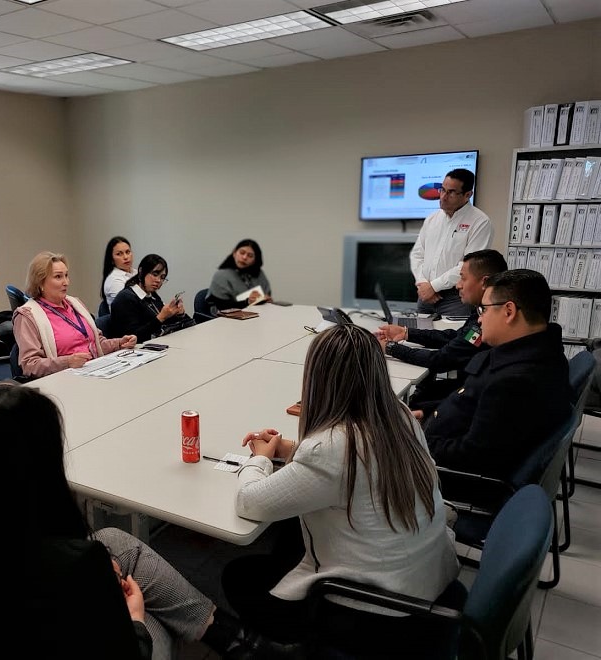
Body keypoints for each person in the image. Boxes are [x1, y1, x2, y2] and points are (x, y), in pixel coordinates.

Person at [0, 386, 245, 659]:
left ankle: (228, 635)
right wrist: (134, 619)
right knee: (152, 614)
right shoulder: (67, 565)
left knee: (113, 539)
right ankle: (233, 639)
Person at [221, 324, 459, 655]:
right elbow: (359, 463)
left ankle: (279, 644)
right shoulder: (400, 416)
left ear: (318, 379)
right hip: (428, 581)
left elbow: (249, 502)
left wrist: (260, 460)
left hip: (381, 615)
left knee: (238, 573)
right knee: (291, 535)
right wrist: (286, 448)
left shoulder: (332, 449)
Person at [424, 269, 572, 480]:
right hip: (441, 434)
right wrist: (427, 412)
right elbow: (472, 401)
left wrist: (419, 440)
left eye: (483, 310)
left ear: (509, 311)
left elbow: (471, 457)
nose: (480, 319)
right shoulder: (540, 353)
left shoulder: (514, 382)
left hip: (444, 476)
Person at [376, 249, 508, 412]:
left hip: (469, 395)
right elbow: (456, 338)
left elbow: (441, 360)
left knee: (413, 400)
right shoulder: (480, 314)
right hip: (469, 387)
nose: (458, 284)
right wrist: (406, 333)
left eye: (463, 278)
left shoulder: (484, 323)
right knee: (422, 391)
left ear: (484, 282)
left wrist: (390, 348)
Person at [13, 251, 137, 378]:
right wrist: (67, 362)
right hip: (64, 379)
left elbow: (97, 343)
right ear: (40, 283)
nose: (66, 282)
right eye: (58, 277)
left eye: (66, 275)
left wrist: (119, 344)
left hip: (95, 371)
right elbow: (29, 365)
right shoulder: (27, 316)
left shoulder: (75, 303)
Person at [410, 168, 492, 317]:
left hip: (456, 297)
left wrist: (434, 286)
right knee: (418, 337)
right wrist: (423, 284)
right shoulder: (432, 219)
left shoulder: (480, 222)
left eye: (451, 192)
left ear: (468, 195)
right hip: (425, 295)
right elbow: (417, 254)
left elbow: (469, 266)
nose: (443, 197)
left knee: (452, 339)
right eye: (442, 190)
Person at [109, 254, 195, 342]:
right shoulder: (125, 298)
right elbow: (134, 337)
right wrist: (161, 317)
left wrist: (179, 314)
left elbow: (167, 324)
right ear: (141, 271)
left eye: (162, 277)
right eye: (155, 274)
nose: (158, 280)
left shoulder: (152, 295)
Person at [207, 239, 272, 314]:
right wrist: (247, 301)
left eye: (250, 256)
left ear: (255, 260)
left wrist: (265, 299)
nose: (244, 257)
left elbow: (265, 295)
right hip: (225, 317)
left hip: (256, 313)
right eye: (242, 253)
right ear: (234, 253)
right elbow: (221, 306)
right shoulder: (221, 275)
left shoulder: (259, 274)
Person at [102, 236, 138, 309]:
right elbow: (130, 307)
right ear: (111, 259)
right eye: (119, 254)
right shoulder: (114, 280)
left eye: (128, 252)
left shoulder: (136, 272)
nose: (125, 257)